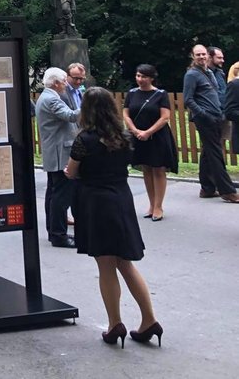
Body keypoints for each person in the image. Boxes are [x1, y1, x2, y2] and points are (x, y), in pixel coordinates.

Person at [65, 87, 161, 348]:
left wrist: (69, 170)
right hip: (121, 198)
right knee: (125, 262)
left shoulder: (84, 139)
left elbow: (72, 172)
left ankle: (115, 323)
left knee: (106, 265)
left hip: (95, 203)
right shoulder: (123, 136)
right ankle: (149, 319)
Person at [183, 45, 238, 202]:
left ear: (207, 55)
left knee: (208, 152)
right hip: (205, 119)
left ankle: (206, 189)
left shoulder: (208, 73)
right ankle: (227, 191)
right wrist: (204, 114)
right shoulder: (191, 75)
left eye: (203, 54)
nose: (201, 57)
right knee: (215, 153)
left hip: (216, 116)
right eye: (197, 54)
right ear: (192, 56)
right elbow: (188, 99)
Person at [123, 64, 177, 221]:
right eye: (138, 76)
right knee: (146, 168)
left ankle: (159, 206)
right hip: (138, 136)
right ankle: (151, 204)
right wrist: (134, 130)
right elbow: (126, 114)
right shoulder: (132, 93)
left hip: (157, 137)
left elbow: (165, 117)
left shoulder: (160, 94)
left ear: (152, 78)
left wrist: (148, 132)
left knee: (158, 169)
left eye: (144, 76)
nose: (140, 79)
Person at [36, 67, 79, 247]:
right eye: (63, 81)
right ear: (55, 83)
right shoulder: (52, 99)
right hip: (60, 153)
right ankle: (59, 235)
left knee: (53, 194)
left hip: (54, 151)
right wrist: (90, 104)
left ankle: (54, 231)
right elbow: (69, 116)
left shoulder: (45, 97)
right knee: (61, 196)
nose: (65, 84)